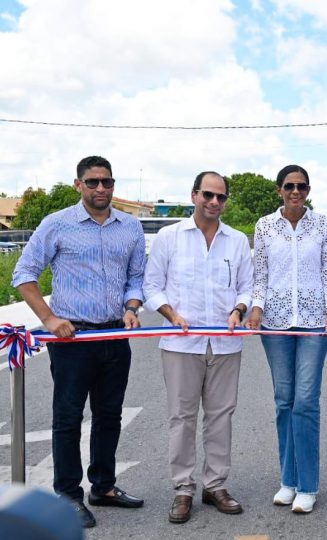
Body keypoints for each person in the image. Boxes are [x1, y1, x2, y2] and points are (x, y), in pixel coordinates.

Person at [12, 156, 145, 529]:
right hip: (73, 339)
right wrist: (50, 319)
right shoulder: (57, 225)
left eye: (106, 182)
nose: (100, 188)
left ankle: (103, 486)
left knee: (109, 415)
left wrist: (132, 306)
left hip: (116, 334)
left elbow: (136, 278)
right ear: (78, 184)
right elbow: (24, 274)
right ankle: (68, 495)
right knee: (68, 419)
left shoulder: (130, 227)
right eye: (92, 182)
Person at [143, 171, 253, 524]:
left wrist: (239, 310)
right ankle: (183, 489)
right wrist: (170, 313)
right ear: (194, 195)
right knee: (182, 417)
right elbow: (152, 286)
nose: (214, 202)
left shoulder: (236, 241)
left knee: (221, 417)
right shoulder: (169, 237)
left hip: (225, 344)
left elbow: (246, 289)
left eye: (221, 197)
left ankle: (215, 484)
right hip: (181, 343)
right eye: (208, 195)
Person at [245, 165, 327, 514]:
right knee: (284, 400)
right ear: (279, 190)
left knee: (305, 401)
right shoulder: (265, 226)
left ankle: (308, 486)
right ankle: (288, 480)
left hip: (314, 322)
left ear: (308, 190)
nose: (295, 191)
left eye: (301, 186)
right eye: (289, 186)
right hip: (274, 322)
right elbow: (260, 275)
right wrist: (256, 309)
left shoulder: (323, 225)